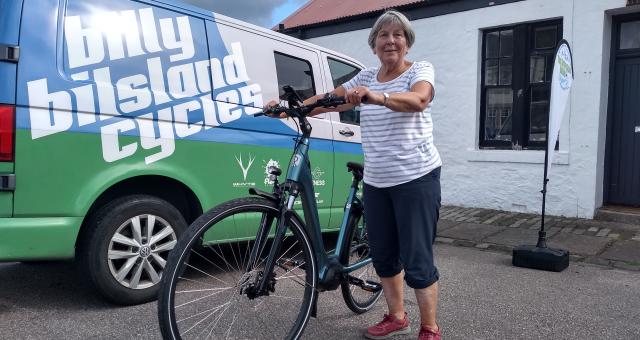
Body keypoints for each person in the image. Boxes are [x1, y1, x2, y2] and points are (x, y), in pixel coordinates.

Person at [265, 9, 441, 340]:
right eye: (384, 36)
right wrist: (292, 108)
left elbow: (419, 99)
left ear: (407, 42)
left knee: (417, 259)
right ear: (374, 44)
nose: (391, 41)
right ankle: (396, 316)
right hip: (377, 181)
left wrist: (380, 97)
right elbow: (330, 100)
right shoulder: (365, 77)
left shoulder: (420, 70)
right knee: (384, 254)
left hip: (416, 179)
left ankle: (430, 327)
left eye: (398, 35)